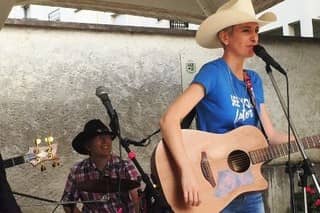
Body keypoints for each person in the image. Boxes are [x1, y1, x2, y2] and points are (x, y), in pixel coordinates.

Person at [159, 0, 292, 212]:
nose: (255, 37)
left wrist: (309, 142)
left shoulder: (254, 81)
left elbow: (271, 135)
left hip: (248, 189)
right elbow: (169, 120)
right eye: (246, 30)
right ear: (225, 37)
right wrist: (187, 172)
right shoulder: (213, 73)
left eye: (257, 30)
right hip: (213, 190)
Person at [61, 119, 141, 213]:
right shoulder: (77, 171)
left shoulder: (125, 166)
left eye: (107, 136)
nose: (105, 141)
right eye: (99, 137)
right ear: (88, 146)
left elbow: (138, 199)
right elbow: (67, 203)